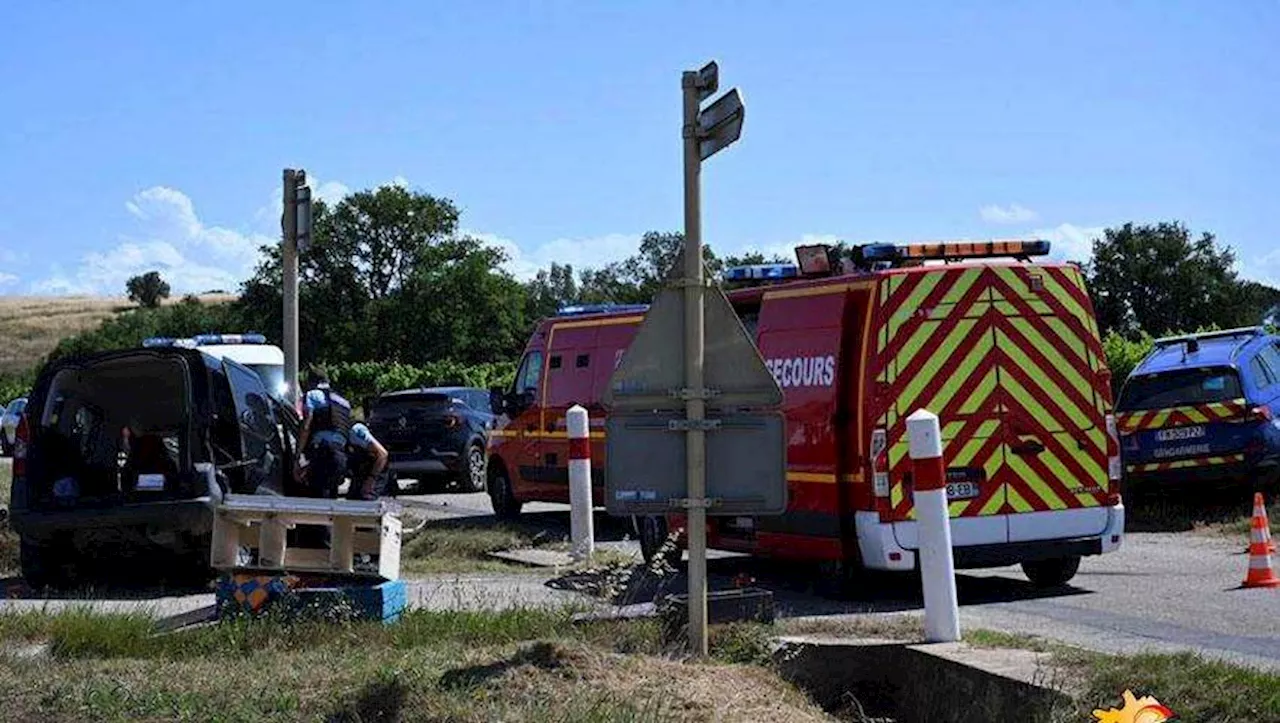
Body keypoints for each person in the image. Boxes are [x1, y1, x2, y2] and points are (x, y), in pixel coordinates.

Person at [294, 368, 353, 500]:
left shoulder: (312, 395)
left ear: (311, 382)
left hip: (323, 454)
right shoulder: (344, 402)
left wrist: (298, 455)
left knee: (318, 500)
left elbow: (306, 426)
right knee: (331, 503)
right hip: (340, 456)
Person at [345, 421, 391, 500]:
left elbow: (382, 454)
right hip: (360, 473)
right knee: (352, 500)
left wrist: (371, 479)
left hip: (376, 471)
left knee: (367, 499)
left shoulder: (356, 430)